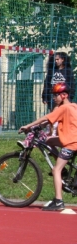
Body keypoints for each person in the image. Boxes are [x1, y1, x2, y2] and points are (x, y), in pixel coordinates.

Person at [20, 82, 77, 211]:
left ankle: (58, 201)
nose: (54, 98)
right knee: (48, 141)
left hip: (71, 143)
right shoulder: (74, 106)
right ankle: (64, 169)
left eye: (56, 95)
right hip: (72, 140)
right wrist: (40, 127)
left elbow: (46, 117)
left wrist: (28, 126)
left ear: (64, 95)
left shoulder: (63, 108)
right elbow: (50, 120)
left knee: (55, 170)